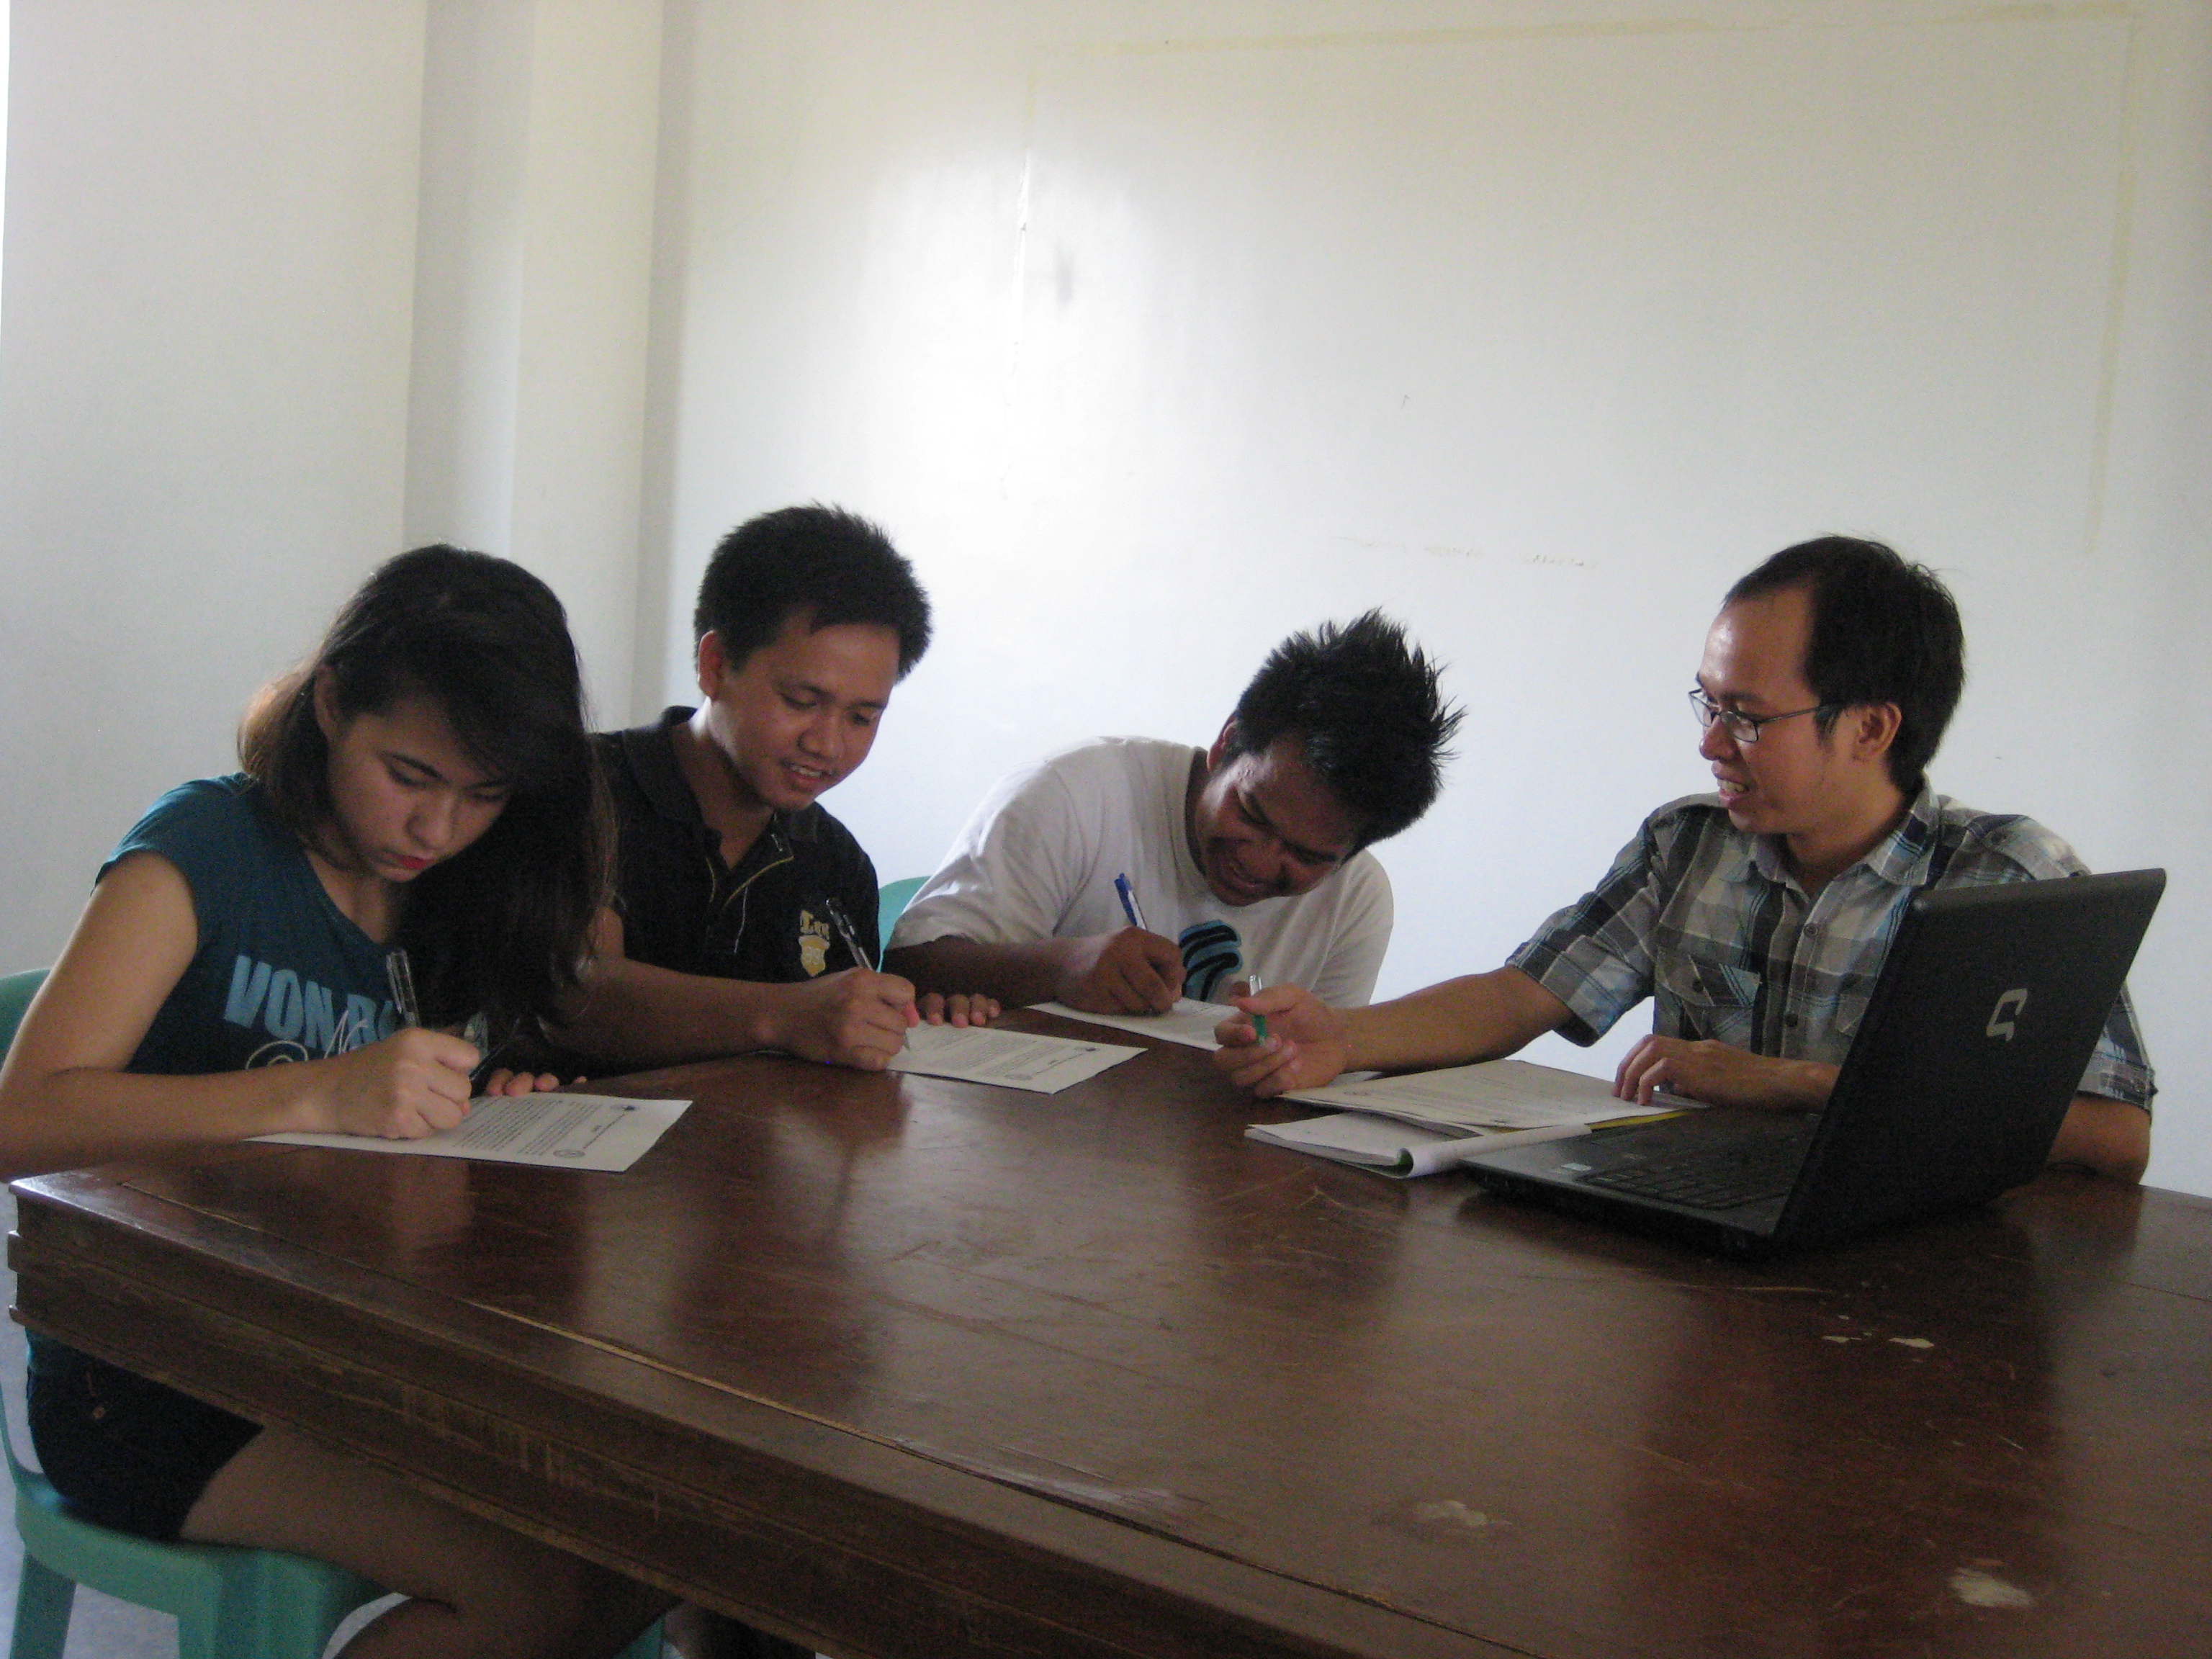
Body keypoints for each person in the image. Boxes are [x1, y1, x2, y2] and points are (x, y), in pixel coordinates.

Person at [0, 548, 672, 1656]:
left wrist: (491, 1106)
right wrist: (318, 1093)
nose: (437, 828)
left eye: (484, 795)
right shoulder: (207, 849)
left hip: (362, 1350)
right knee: (543, 1591)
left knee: (663, 1542)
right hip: (153, 1368)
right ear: (329, 705)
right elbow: (23, 1120)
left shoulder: (468, 890)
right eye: (409, 775)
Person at [1215, 538, 2154, 1184]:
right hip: (1701, 1237)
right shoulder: (1690, 846)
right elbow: (1523, 994)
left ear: (1870, 729)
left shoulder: (2009, 880)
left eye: (1746, 717)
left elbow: (2115, 1135)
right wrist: (1344, 1039)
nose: (1711, 744)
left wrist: (1796, 1086)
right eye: (1707, 704)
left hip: (1920, 1271)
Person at [554, 504, 995, 1075]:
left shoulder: (834, 864)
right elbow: (575, 992)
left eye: (862, 718)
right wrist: (785, 1014)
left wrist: (895, 1021)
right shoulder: (584, 793)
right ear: (715, 665)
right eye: (801, 701)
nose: (827, 744)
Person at [886, 611, 1462, 1015]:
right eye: (1253, 815)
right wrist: (1062, 966)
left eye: (1306, 856)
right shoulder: (1076, 794)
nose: (1262, 863)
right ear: (1226, 744)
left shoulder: (1356, 901)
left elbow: (1323, 1073)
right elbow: (908, 968)